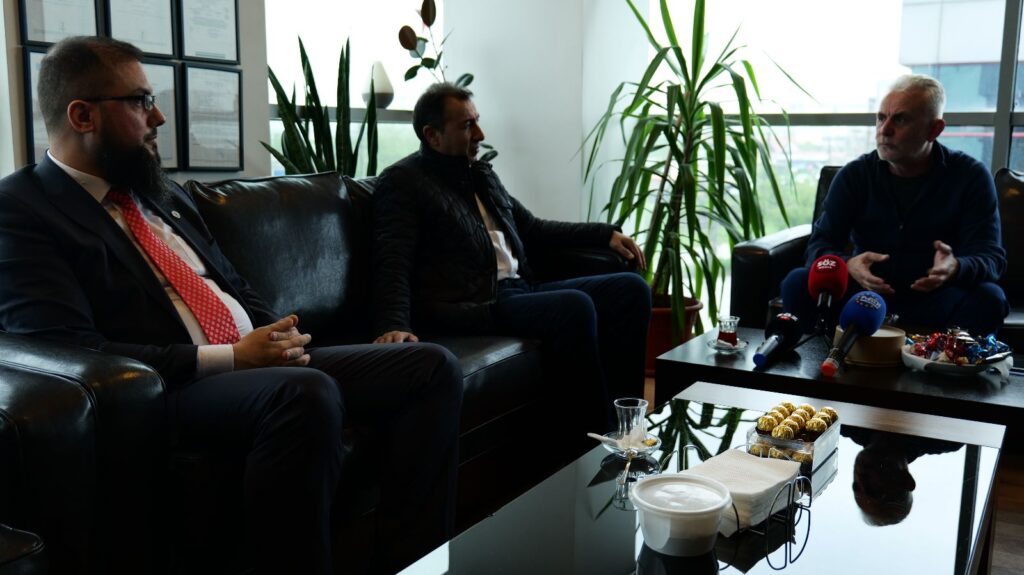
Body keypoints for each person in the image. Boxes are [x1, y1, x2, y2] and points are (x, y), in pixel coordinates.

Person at [0, 36, 462, 575]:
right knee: (303, 393)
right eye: (142, 101)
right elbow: (68, 351)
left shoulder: (159, 194)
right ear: (83, 116)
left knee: (430, 366)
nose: (159, 117)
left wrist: (278, 332)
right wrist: (232, 358)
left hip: (254, 360)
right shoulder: (22, 211)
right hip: (166, 389)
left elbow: (235, 283)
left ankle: (414, 563)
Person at [371, 83, 652, 430]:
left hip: (519, 290)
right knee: (574, 306)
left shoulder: (481, 175)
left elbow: (533, 228)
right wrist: (394, 324)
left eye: (477, 121)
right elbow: (393, 260)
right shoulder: (402, 182)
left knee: (631, 289)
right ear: (432, 136)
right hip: (472, 304)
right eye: (467, 126)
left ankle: (628, 426)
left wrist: (603, 234)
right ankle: (594, 439)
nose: (480, 134)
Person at [781, 74, 1008, 335]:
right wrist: (848, 264)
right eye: (881, 118)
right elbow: (818, 246)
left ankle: (941, 359)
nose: (884, 129)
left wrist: (956, 267)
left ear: (934, 130)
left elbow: (991, 258)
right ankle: (817, 359)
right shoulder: (855, 175)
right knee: (797, 282)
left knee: (990, 298)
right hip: (864, 296)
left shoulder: (970, 176)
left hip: (935, 297)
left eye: (900, 119)